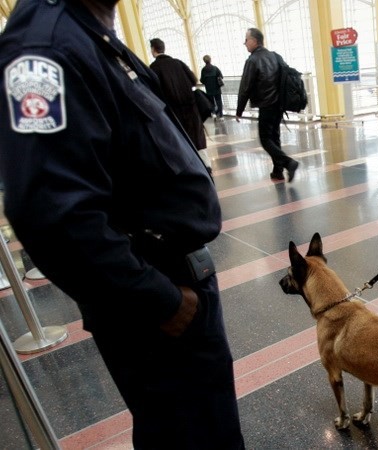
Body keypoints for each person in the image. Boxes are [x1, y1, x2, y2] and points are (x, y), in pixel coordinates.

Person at [0, 0, 245, 448]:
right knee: (190, 435)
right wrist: (158, 300)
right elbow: (50, 213)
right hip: (158, 303)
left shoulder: (89, 34)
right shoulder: (46, 48)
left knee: (205, 430)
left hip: (175, 281)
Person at [236, 28, 299, 182]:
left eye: (246, 40)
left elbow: (245, 87)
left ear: (254, 41)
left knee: (265, 139)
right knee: (274, 137)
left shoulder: (252, 60)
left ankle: (288, 162)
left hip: (266, 104)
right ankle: (278, 171)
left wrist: (239, 110)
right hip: (279, 104)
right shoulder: (275, 56)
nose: (244, 43)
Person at [150, 38, 206, 150]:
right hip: (191, 109)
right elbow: (193, 80)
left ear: (153, 49)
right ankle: (205, 164)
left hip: (172, 112)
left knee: (181, 143)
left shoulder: (153, 68)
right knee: (197, 140)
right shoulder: (178, 63)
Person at [200, 54, 224, 120]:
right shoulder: (215, 68)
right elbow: (221, 76)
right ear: (210, 60)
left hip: (209, 90)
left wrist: (207, 83)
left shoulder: (203, 70)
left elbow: (202, 80)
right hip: (217, 89)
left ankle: (213, 114)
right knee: (219, 102)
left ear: (204, 61)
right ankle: (221, 116)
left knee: (211, 102)